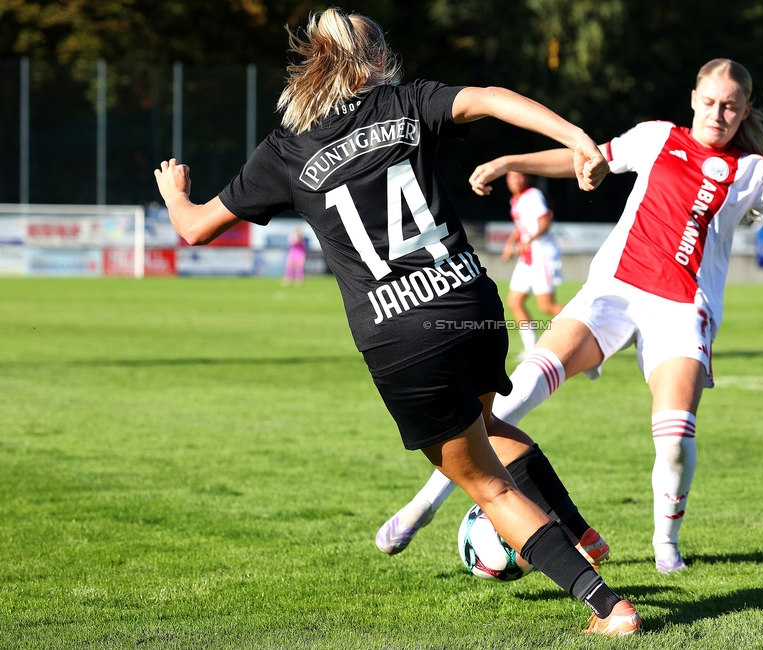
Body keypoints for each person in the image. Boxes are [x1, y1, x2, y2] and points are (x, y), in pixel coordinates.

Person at [152, 8, 639, 636]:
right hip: (470, 303)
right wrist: (578, 139)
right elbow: (491, 99)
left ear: (311, 62)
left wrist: (173, 195)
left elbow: (194, 228)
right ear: (379, 57)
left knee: (487, 487)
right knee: (484, 423)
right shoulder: (406, 103)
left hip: (402, 332)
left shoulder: (285, 149)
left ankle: (608, 607)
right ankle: (582, 533)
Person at [377, 58, 763, 575]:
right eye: (709, 102)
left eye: (730, 106)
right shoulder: (656, 136)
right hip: (611, 293)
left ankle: (667, 545)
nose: (718, 113)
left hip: (682, 311)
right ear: (693, 99)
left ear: (744, 109)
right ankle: (424, 505)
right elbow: (588, 156)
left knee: (674, 439)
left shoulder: (754, 172)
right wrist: (513, 161)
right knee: (516, 391)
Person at [500, 172, 564, 356]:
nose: (515, 180)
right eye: (511, 177)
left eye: (519, 176)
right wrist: (510, 244)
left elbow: (544, 222)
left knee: (546, 306)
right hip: (527, 257)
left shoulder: (533, 195)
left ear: (526, 178)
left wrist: (527, 241)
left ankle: (589, 329)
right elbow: (521, 226)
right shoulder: (515, 200)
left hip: (541, 255)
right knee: (514, 301)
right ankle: (531, 349)